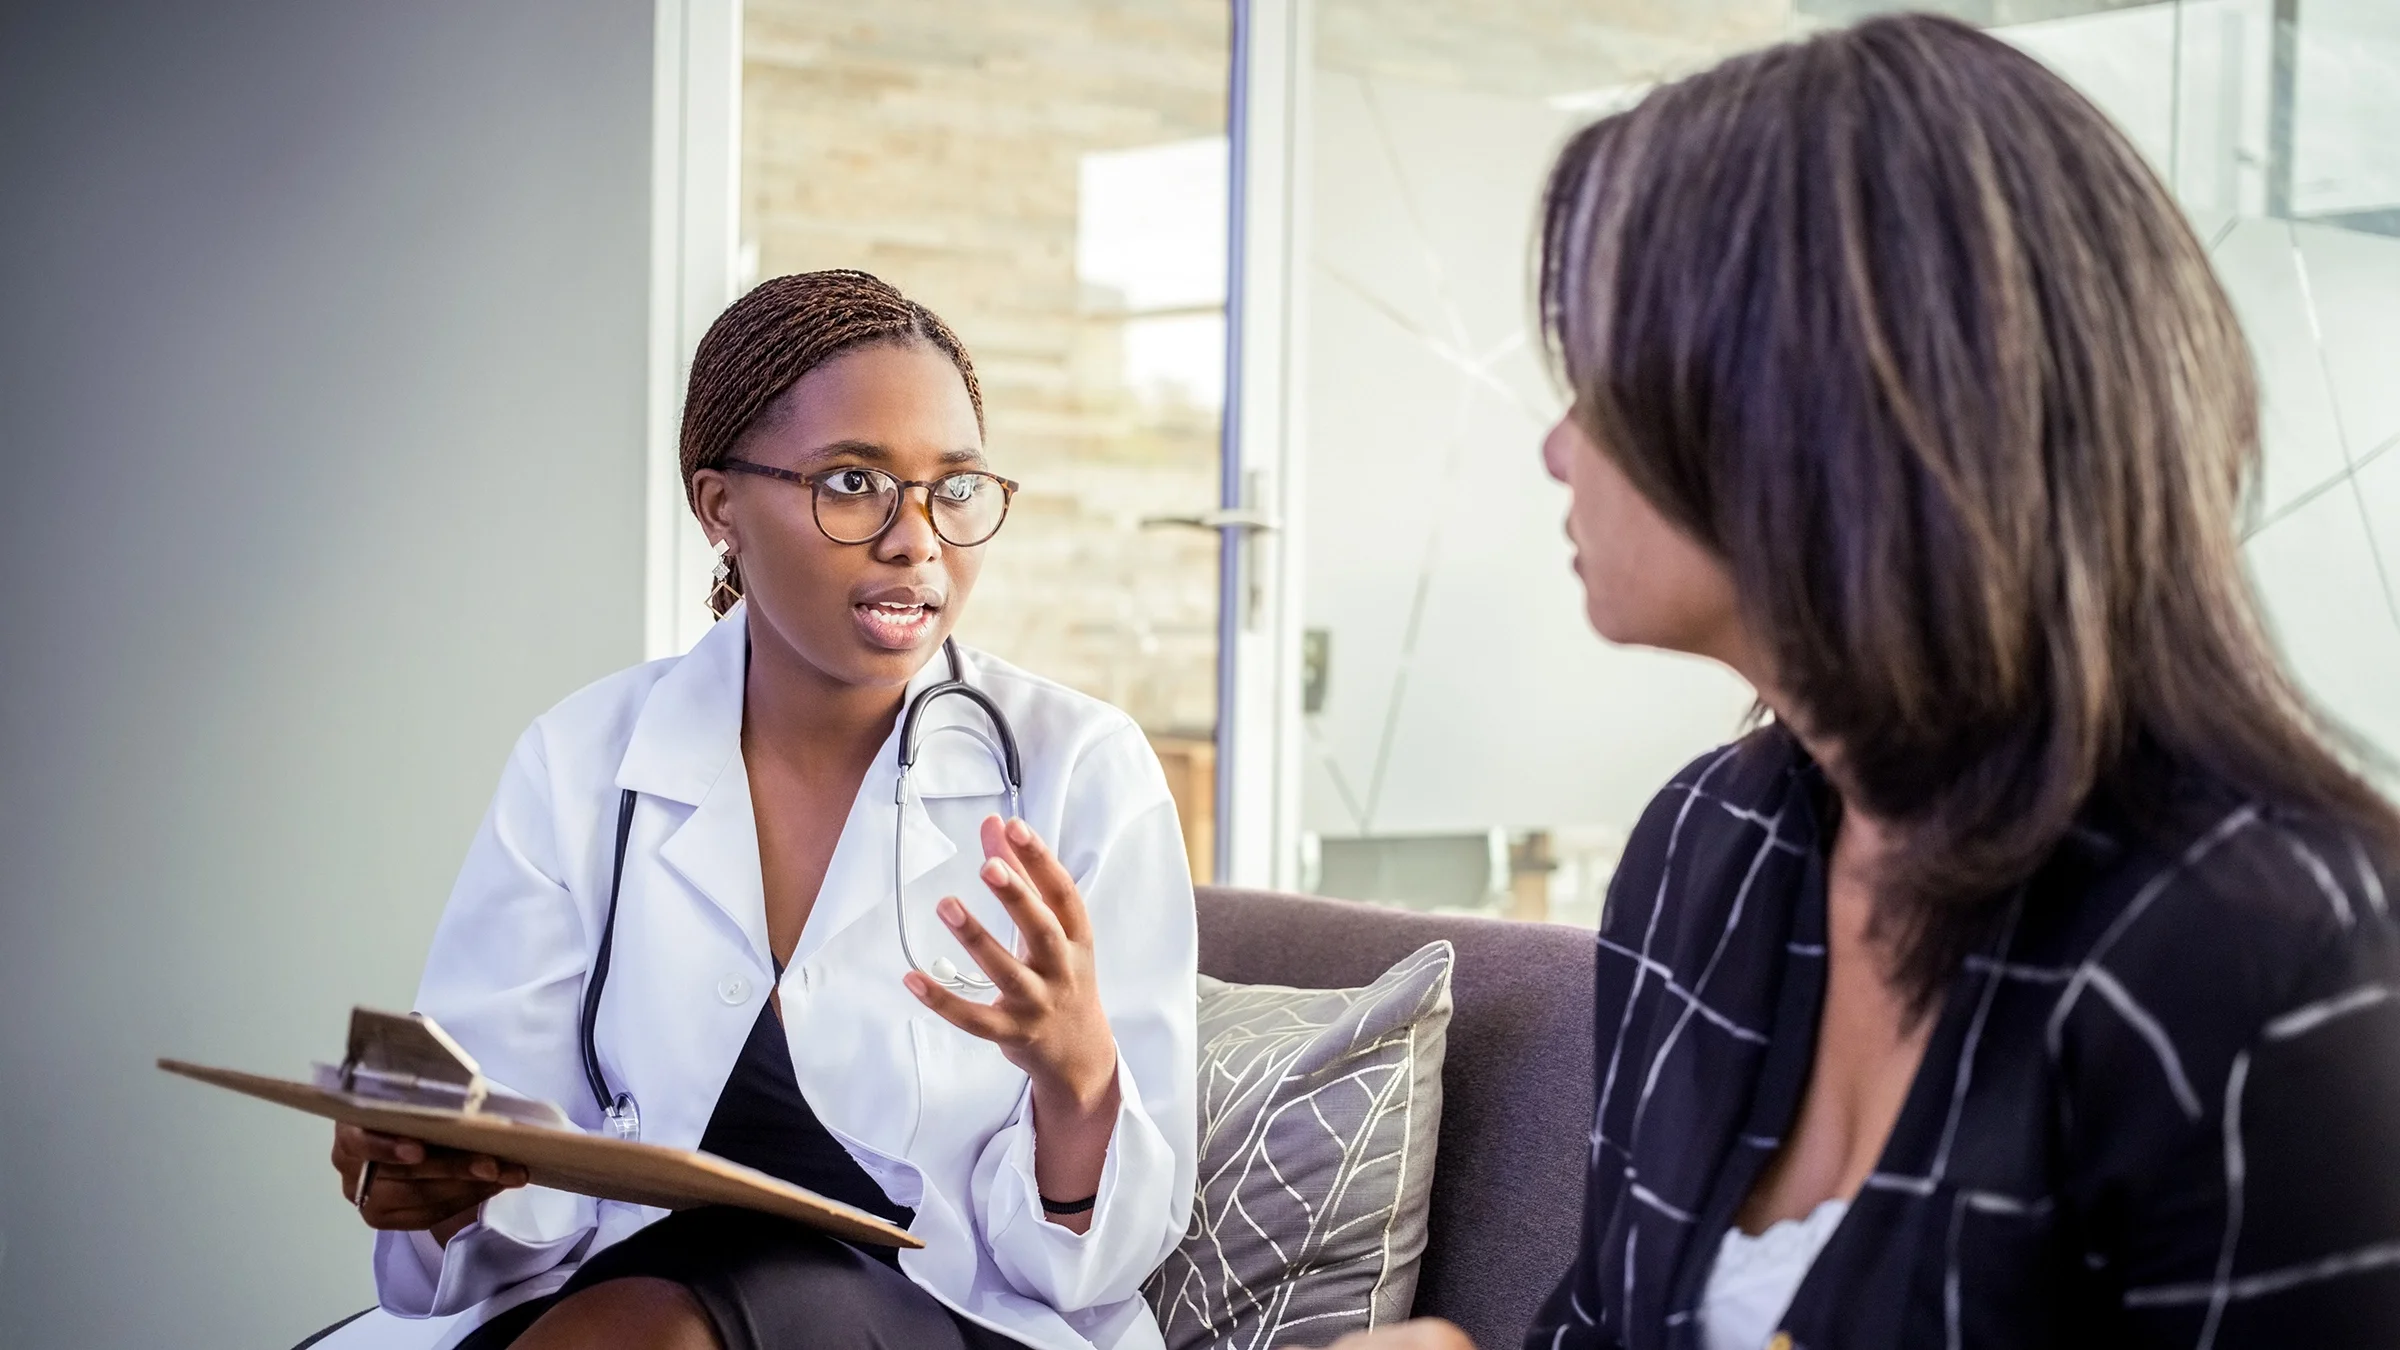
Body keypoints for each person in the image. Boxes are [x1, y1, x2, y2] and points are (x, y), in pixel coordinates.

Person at [1321, 14, 2400, 1350]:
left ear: (1793, 407)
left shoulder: (2275, 951)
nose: (1555, 445)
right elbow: (1613, 1322)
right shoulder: (1709, 844)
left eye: (1600, 374)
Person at [316, 270, 1198, 1350]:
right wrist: (442, 1189)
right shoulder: (580, 763)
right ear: (720, 505)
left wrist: (1078, 1077)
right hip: (613, 1295)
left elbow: (1088, 1268)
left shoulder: (1080, 772)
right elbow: (510, 1184)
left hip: (954, 1319)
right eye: (852, 483)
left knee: (660, 1328)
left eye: (953, 489)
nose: (916, 538)